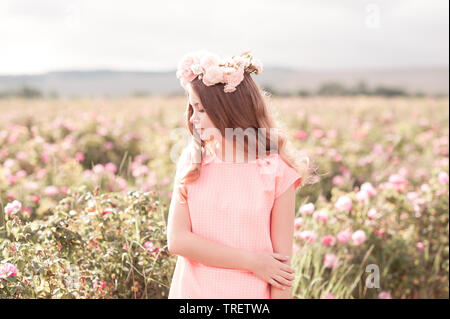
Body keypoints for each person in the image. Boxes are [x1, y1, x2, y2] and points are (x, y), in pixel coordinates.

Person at [167, 50, 311, 299]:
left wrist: (265, 268)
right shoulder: (193, 162)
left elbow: (281, 270)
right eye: (192, 109)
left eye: (201, 110)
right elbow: (178, 240)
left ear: (229, 112)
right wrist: (252, 262)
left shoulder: (276, 171)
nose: (193, 119)